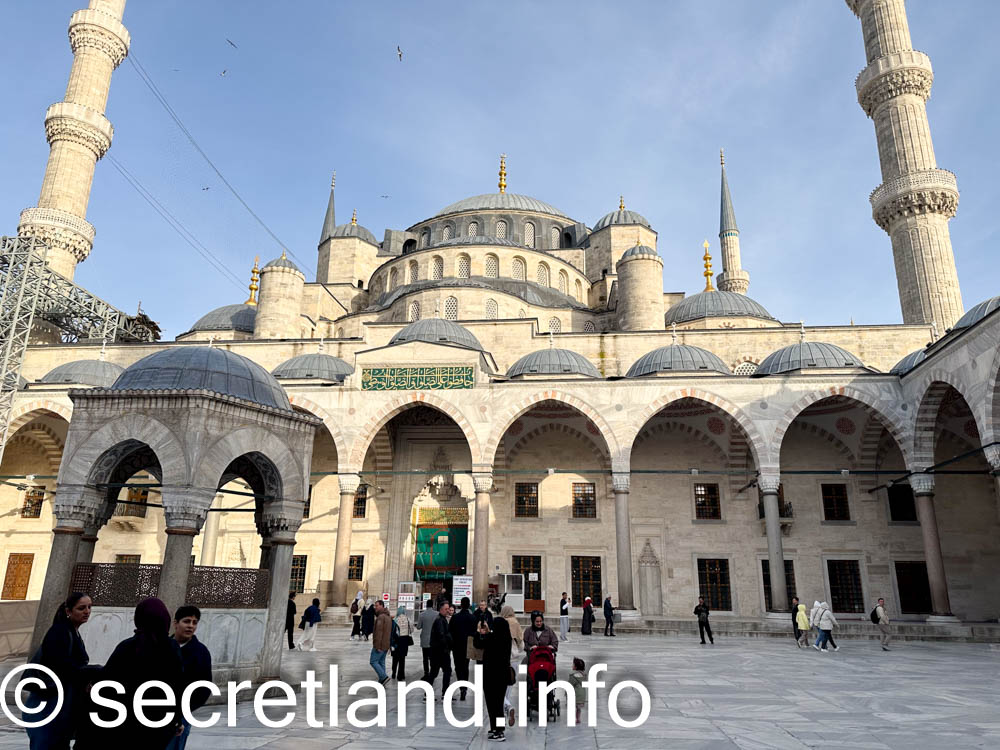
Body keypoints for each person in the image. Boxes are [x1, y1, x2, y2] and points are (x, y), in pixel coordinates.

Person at [87, 597, 184, 746]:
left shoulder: (128, 647)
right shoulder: (172, 648)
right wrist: (177, 719)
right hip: (160, 723)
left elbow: (108, 681)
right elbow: (177, 686)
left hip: (126, 724)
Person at [23, 592, 92, 750]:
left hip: (61, 702)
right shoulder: (60, 632)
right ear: (68, 611)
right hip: (48, 702)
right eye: (81, 608)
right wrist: (91, 671)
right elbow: (61, 665)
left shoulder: (72, 632)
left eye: (89, 607)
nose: (87, 612)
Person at [166, 605, 213, 750]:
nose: (190, 626)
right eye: (186, 621)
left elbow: (204, 687)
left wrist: (185, 709)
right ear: (176, 623)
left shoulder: (200, 652)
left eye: (194, 622)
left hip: (182, 714)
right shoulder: (163, 646)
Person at [474, 609, 512, 742]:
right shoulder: (506, 639)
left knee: (491, 704)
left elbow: (477, 644)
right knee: (498, 704)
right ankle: (497, 728)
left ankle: (498, 730)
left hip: (490, 676)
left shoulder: (492, 638)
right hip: (502, 676)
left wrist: (479, 631)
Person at [422, 601, 453, 698]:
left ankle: (429, 693)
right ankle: (444, 693)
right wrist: (448, 645)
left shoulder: (441, 619)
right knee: (445, 672)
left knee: (435, 673)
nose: (448, 611)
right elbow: (441, 635)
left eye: (448, 609)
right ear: (441, 609)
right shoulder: (440, 620)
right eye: (446, 609)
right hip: (440, 651)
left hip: (437, 651)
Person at [500, 604, 523, 727]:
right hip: (514, 658)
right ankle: (507, 708)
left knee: (499, 689)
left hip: (502, 659)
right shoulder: (515, 622)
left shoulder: (500, 622)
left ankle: (507, 708)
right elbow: (520, 641)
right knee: (509, 686)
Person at [449, 597, 477, 700]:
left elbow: (450, 631)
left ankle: (461, 686)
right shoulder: (472, 618)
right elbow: (475, 632)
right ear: (469, 605)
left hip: (456, 646)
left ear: (461, 605)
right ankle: (464, 688)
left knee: (458, 667)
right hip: (468, 646)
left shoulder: (455, 617)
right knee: (465, 666)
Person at [370, 600, 392, 685]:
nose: (375, 607)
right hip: (386, 644)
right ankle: (382, 679)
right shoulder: (388, 616)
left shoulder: (381, 617)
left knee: (373, 661)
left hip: (380, 644)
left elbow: (379, 632)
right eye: (375, 606)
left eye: (377, 605)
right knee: (381, 662)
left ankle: (384, 677)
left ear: (382, 606)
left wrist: (377, 646)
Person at [416, 600, 438, 677]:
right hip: (434, 640)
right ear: (433, 605)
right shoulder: (437, 614)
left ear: (426, 605)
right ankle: (433, 672)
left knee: (425, 657)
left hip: (425, 639)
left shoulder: (422, 614)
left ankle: (426, 672)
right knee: (433, 657)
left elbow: (418, 627)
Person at [391, 605, 413, 680]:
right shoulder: (408, 619)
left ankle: (393, 673)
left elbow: (392, 630)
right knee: (402, 659)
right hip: (404, 640)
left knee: (395, 658)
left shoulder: (395, 619)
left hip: (396, 640)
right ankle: (401, 675)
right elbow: (411, 630)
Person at [568, 657, 587, 725]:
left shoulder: (572, 676)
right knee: (578, 708)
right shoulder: (584, 676)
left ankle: (573, 718)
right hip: (582, 694)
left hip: (575, 694)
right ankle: (578, 718)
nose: (572, 666)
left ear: (576, 667)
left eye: (573, 664)